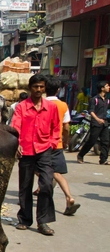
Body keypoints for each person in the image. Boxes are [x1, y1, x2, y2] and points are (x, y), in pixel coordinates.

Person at [11, 74, 60, 236]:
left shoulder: (51, 107)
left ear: (44, 88)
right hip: (26, 150)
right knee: (25, 186)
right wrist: (17, 143)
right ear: (30, 88)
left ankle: (43, 221)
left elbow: (56, 128)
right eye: (35, 87)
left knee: (46, 184)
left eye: (41, 87)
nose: (39, 90)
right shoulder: (22, 107)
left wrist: (52, 143)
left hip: (44, 149)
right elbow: (15, 126)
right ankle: (24, 219)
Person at [43, 77, 80, 216]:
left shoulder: (41, 103)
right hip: (57, 143)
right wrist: (65, 140)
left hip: (42, 144)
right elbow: (66, 127)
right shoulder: (63, 105)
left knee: (47, 171)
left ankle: (44, 192)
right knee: (56, 172)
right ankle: (69, 196)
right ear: (58, 90)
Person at [77, 81, 110, 165]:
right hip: (96, 123)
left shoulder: (107, 100)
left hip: (105, 123)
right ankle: (80, 155)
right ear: (102, 88)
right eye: (107, 86)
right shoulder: (94, 99)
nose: (108, 87)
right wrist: (98, 119)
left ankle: (103, 159)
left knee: (105, 141)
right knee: (92, 141)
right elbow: (91, 111)